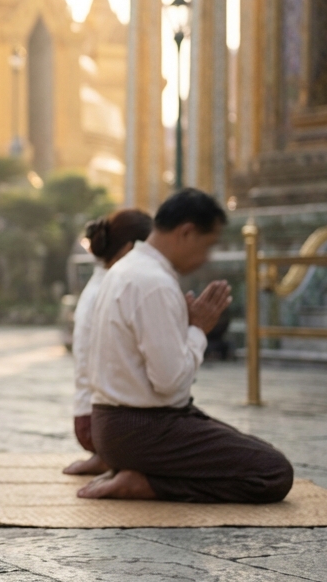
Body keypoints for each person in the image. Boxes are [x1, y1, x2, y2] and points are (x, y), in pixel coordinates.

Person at [79, 188, 294, 503]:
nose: (207, 257)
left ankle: (143, 473)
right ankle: (148, 485)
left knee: (251, 450)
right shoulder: (153, 283)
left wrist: (186, 327)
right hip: (143, 430)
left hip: (113, 428)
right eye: (207, 246)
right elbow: (170, 384)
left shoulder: (126, 269)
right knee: (272, 472)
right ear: (187, 232)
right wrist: (198, 330)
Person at [63, 208, 153, 476]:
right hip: (105, 426)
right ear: (128, 250)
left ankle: (107, 458)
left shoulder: (100, 285)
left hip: (89, 423)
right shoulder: (116, 288)